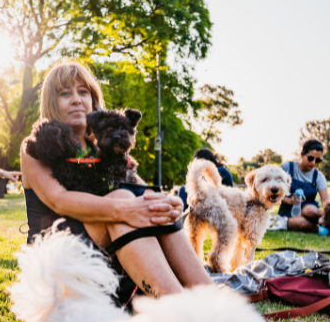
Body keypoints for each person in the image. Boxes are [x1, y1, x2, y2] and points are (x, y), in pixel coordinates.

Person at [20, 61, 213, 300]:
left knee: (150, 200)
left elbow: (137, 186)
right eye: (64, 93)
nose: (76, 99)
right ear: (52, 102)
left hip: (103, 241)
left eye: (83, 92)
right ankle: (175, 305)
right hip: (57, 248)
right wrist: (125, 208)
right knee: (122, 200)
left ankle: (209, 295)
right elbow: (58, 199)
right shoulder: (36, 145)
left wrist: (167, 201)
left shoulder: (103, 144)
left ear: (93, 100)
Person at [278, 138, 330, 233]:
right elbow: (272, 194)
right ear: (302, 154)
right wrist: (289, 200)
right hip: (288, 212)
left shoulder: (318, 176)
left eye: (317, 160)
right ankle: (321, 229)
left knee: (312, 211)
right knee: (302, 224)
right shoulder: (286, 168)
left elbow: (326, 201)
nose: (313, 163)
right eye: (310, 158)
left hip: (309, 209)